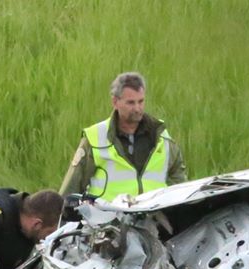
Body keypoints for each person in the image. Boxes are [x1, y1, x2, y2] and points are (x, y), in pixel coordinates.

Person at [59, 72, 187, 201]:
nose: (137, 108)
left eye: (141, 101)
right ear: (115, 102)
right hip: (108, 213)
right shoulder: (95, 138)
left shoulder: (161, 136)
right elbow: (71, 188)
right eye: (130, 103)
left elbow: (179, 183)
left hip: (154, 213)